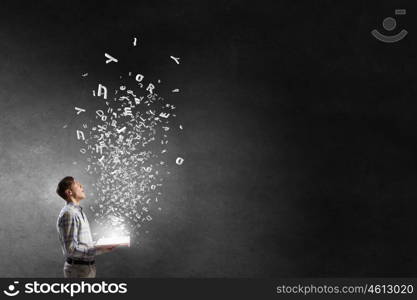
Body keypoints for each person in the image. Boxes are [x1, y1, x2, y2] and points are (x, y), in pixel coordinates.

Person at [56, 176, 116, 278]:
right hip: (78, 271)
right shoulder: (69, 213)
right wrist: (98, 248)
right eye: (76, 184)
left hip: (86, 269)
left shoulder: (78, 211)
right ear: (69, 192)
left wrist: (102, 247)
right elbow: (71, 250)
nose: (81, 185)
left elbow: (83, 244)